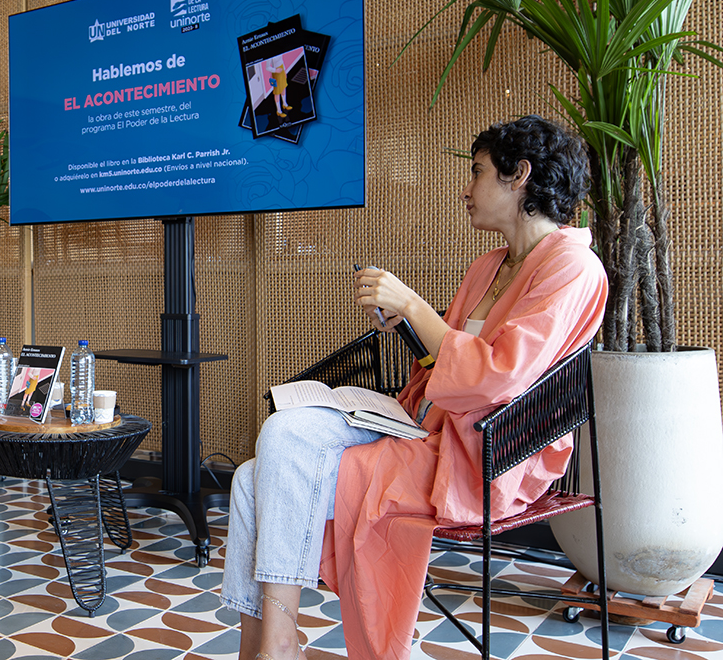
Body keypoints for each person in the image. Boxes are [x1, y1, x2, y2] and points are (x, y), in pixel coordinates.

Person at [223, 116, 608, 660]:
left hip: (487, 454)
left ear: (518, 175)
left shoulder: (574, 266)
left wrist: (412, 304)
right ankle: (260, 645)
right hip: (427, 427)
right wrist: (406, 326)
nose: (466, 189)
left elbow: (499, 374)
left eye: (477, 173)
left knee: (275, 449)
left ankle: (278, 646)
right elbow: (444, 361)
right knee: (251, 475)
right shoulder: (490, 265)